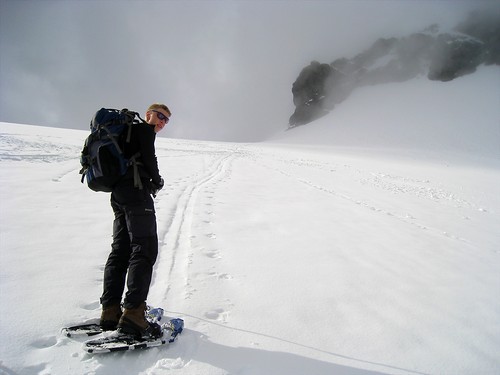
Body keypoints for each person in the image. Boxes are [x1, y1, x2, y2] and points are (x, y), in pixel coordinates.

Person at [99, 103, 171, 338]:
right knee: (144, 248)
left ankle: (110, 311)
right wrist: (157, 181)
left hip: (119, 196)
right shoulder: (143, 131)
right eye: (160, 116)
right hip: (137, 195)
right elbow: (149, 161)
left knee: (121, 250)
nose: (161, 122)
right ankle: (133, 315)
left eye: (166, 120)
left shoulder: (126, 134)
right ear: (148, 113)